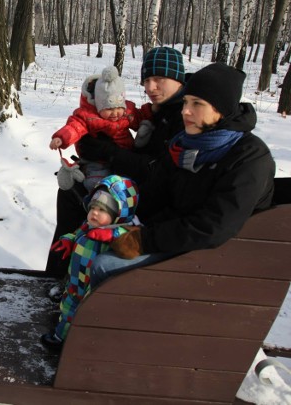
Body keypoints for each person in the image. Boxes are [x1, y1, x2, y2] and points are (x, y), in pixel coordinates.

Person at [90, 63, 275, 308]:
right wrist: (116, 211)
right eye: (186, 102)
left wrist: (144, 240)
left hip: (210, 256)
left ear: (222, 109)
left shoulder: (249, 158)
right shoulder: (186, 143)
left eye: (197, 104)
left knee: (104, 265)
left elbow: (213, 227)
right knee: (90, 240)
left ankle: (96, 331)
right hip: (176, 235)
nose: (185, 111)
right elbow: (155, 192)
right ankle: (74, 304)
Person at [46, 47, 187, 277]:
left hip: (154, 203)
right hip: (131, 180)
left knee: (89, 201)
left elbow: (158, 170)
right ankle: (60, 274)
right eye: (147, 80)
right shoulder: (160, 110)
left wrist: (110, 152)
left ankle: (70, 277)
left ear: (178, 78)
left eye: (159, 79)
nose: (150, 88)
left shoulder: (184, 115)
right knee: (71, 191)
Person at [41, 175, 140, 350]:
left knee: (78, 315)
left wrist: (112, 236)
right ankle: (61, 334)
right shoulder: (89, 226)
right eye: (93, 207)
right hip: (75, 280)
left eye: (102, 210)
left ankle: (69, 342)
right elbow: (77, 233)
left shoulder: (120, 233)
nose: (94, 213)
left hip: (89, 286)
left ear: (119, 214)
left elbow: (130, 246)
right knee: (67, 308)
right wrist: (68, 240)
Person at [49, 66, 153, 192]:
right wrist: (62, 138)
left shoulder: (127, 112)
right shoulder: (89, 117)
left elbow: (140, 116)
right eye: (109, 109)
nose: (115, 113)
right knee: (95, 181)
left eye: (118, 108)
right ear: (98, 105)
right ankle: (96, 196)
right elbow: (75, 127)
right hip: (97, 160)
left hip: (125, 154)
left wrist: (152, 113)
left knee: (125, 181)